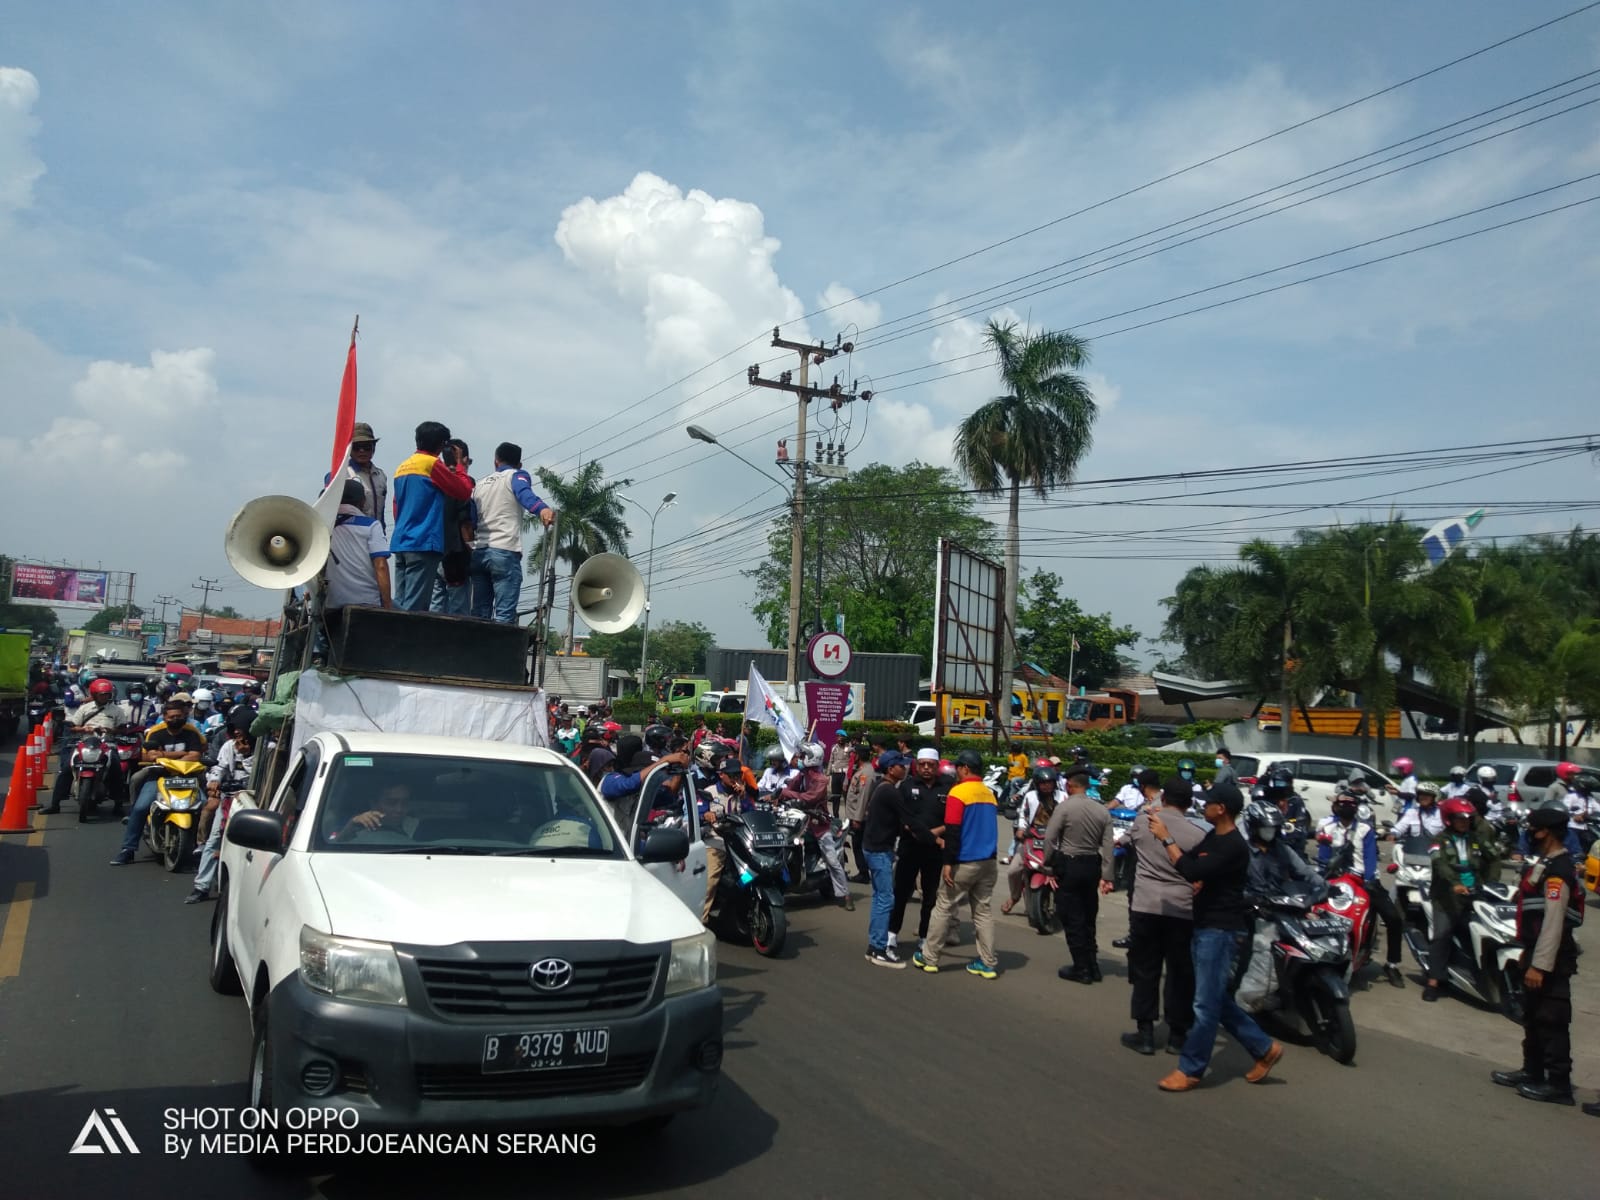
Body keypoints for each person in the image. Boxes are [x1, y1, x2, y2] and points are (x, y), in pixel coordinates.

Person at [1147, 783, 1285, 1091]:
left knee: (1204, 1006)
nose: (1204, 807)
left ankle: (1191, 1069)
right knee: (1213, 999)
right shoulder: (1214, 837)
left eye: (1208, 803)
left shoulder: (1233, 844)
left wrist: (1166, 837)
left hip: (1220, 930)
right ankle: (1264, 1048)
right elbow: (1194, 863)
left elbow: (1190, 869)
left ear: (1221, 808)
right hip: (1204, 925)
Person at [1490, 805, 1584, 1106]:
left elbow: (1553, 924)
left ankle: (1558, 1084)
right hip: (1535, 951)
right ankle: (1532, 1071)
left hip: (1553, 957)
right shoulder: (1546, 863)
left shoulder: (1559, 871)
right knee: (1532, 1015)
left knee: (1552, 1018)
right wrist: (1526, 954)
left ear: (1546, 833)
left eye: (1533, 829)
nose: (1529, 834)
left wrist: (1540, 966)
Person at [1121, 772, 1205, 1056]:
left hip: (1145, 906)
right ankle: (1177, 1036)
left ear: (1164, 797)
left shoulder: (1143, 823)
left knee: (1145, 970)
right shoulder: (1197, 835)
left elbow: (1126, 843)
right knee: (1179, 972)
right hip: (1181, 909)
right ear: (1190, 803)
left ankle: (1145, 1034)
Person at [912, 750, 1000, 980]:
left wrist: (948, 863)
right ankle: (988, 963)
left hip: (964, 860)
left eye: (958, 767)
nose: (956, 771)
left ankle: (929, 958)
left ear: (965, 769)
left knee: (943, 906)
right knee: (983, 912)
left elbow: (952, 830)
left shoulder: (958, 792)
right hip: (989, 861)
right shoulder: (989, 794)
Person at [1316, 790, 1406, 987]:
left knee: (1393, 918)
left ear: (1356, 808)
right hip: (1334, 880)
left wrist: (1368, 880)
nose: (1346, 808)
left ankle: (1392, 964)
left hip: (1363, 881)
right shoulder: (1327, 828)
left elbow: (1370, 859)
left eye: (1351, 805)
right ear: (1336, 807)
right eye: (1342, 804)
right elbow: (1323, 859)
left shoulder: (1365, 830)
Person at [1422, 796, 1503, 1002]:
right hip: (1446, 898)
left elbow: (1494, 857)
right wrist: (1455, 884)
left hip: (1476, 894)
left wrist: (1492, 883)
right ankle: (1433, 981)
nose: (1464, 822)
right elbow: (1440, 865)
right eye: (1460, 818)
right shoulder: (1438, 841)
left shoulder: (1476, 838)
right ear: (1449, 819)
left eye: (1467, 818)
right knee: (1442, 935)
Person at [390, 420, 477, 611]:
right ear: (440, 445)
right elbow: (464, 491)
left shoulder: (402, 467)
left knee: (400, 603)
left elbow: (396, 506)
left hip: (401, 541)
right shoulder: (431, 464)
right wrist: (458, 465)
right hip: (423, 543)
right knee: (415, 608)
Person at [109, 700, 206, 865]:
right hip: (159, 776)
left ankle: (202, 846)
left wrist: (164, 756)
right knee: (140, 808)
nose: (175, 719)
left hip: (187, 778)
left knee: (204, 806)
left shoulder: (192, 732)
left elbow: (196, 755)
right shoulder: (155, 732)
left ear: (184, 716)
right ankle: (128, 849)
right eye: (172, 716)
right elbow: (149, 756)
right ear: (165, 717)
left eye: (179, 716)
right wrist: (183, 754)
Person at [1044, 762, 1115, 983]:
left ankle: (1081, 968)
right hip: (1092, 864)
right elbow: (1109, 846)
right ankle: (1093, 965)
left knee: (1071, 916)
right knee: (1088, 916)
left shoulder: (1064, 808)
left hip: (1070, 864)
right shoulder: (1102, 810)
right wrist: (1107, 876)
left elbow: (1050, 838)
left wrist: (1048, 866)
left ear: (1069, 785)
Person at [469, 441, 554, 623]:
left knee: (478, 614)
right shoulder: (517, 475)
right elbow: (525, 494)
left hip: (478, 552)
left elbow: (471, 521)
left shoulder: (479, 485)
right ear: (519, 464)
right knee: (504, 615)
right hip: (504, 551)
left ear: (495, 461)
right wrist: (542, 509)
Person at [778, 742, 852, 910]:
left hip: (819, 825)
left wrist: (786, 793)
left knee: (832, 860)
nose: (800, 758)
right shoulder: (802, 775)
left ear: (813, 758)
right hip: (801, 822)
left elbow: (809, 797)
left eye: (804, 756)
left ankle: (845, 895)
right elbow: (789, 788)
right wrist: (775, 794)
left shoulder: (821, 779)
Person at [186, 725, 255, 904]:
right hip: (228, 799)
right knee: (214, 839)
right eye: (235, 729)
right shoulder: (229, 746)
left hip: (252, 802)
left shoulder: (264, 748)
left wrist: (247, 756)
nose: (238, 733)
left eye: (241, 728)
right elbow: (219, 767)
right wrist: (214, 781)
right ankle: (201, 886)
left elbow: (256, 775)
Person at [862, 751, 919, 967]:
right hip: (878, 851)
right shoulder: (889, 791)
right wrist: (935, 837)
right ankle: (878, 948)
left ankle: (874, 946)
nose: (905, 768)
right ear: (890, 769)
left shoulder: (882, 787)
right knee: (886, 899)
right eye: (901, 765)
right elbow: (910, 819)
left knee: (881, 898)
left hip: (875, 848)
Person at [890, 748, 948, 956]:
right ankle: (892, 934)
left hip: (934, 852)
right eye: (922, 764)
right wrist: (924, 834)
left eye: (930, 764)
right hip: (910, 848)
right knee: (901, 893)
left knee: (930, 897)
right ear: (916, 765)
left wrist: (934, 834)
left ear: (937, 766)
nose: (926, 768)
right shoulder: (907, 786)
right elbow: (903, 818)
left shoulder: (947, 787)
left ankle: (924, 937)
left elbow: (952, 820)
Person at [44, 678, 128, 814]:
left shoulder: (117, 710)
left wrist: (110, 731)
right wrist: (83, 729)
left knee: (116, 769)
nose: (105, 697)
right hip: (85, 743)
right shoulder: (84, 708)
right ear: (94, 695)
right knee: (66, 769)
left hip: (107, 744)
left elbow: (123, 729)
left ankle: (118, 804)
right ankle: (55, 804)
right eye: (102, 694)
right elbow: (73, 727)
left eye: (107, 694)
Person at [699, 759, 752, 925]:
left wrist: (744, 797)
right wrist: (706, 814)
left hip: (739, 842)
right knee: (711, 879)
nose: (735, 778)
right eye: (731, 775)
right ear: (721, 775)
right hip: (717, 840)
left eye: (738, 774)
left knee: (751, 874)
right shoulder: (710, 792)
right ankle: (701, 919)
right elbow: (699, 811)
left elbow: (752, 814)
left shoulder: (741, 794)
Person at [1002, 765, 1060, 915]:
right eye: (1043, 783)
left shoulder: (1063, 797)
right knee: (1013, 870)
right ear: (1037, 784)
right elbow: (1023, 814)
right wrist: (1021, 829)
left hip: (1056, 842)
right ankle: (1014, 897)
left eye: (1049, 783)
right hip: (1032, 838)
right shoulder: (1030, 796)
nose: (1047, 786)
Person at [429, 439, 477, 616]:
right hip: (456, 553)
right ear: (463, 459)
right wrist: (472, 548)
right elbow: (465, 522)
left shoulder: (434, 480)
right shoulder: (464, 484)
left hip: (433, 550)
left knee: (435, 605)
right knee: (458, 609)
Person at [325, 421, 389, 532]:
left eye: (366, 447)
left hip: (375, 533)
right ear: (349, 449)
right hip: (349, 535)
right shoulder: (339, 475)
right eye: (356, 447)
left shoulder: (381, 476)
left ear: (373, 448)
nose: (362, 451)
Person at [841, 746, 877, 883]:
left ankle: (863, 873)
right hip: (855, 815)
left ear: (858, 756)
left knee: (858, 845)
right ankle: (863, 872)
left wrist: (857, 818)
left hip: (860, 817)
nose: (852, 757)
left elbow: (863, 797)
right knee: (858, 844)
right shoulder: (862, 770)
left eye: (854, 754)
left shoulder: (865, 773)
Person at [1262, 766, 1311, 859]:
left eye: (1280, 783)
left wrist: (1291, 827)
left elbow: (1300, 823)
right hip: (1271, 837)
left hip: (1291, 841)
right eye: (1276, 782)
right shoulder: (1269, 799)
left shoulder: (1296, 801)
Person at [827, 732, 852, 818]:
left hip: (844, 775)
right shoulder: (834, 748)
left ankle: (848, 817)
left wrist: (848, 777)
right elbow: (831, 761)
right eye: (838, 737)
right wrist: (828, 774)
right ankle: (835, 816)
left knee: (846, 796)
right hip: (835, 774)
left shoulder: (849, 748)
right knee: (835, 796)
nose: (839, 739)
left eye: (841, 737)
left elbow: (851, 763)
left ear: (845, 738)